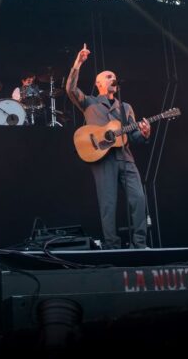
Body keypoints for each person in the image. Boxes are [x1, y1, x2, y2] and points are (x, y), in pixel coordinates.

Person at [66, 44, 151, 249]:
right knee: (108, 203)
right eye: (109, 76)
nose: (113, 78)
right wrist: (78, 63)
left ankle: (140, 244)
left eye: (114, 77)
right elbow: (69, 89)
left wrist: (144, 133)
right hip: (102, 157)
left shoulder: (125, 107)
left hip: (125, 156)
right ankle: (112, 246)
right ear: (99, 84)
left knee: (139, 198)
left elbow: (135, 136)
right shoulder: (90, 102)